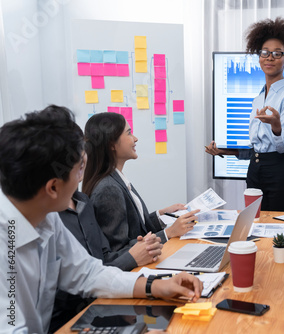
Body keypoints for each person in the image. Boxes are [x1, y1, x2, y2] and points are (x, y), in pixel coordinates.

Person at [0, 105, 201, 334]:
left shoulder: (46, 218)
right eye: (79, 171)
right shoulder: (7, 240)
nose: (81, 180)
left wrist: (156, 286)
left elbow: (88, 273)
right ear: (53, 188)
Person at [50, 154, 163, 332]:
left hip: (97, 310)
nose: (83, 174)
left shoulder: (82, 202)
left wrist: (156, 285)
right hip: (72, 319)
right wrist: (133, 259)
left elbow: (93, 269)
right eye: (79, 166)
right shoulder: (49, 217)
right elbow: (76, 283)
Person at [205, 17, 284, 212]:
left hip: (280, 174)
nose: (269, 58)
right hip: (255, 172)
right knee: (256, 225)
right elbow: (257, 149)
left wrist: (276, 127)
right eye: (265, 53)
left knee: (279, 232)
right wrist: (223, 152)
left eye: (277, 53)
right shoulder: (259, 98)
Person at [82, 112, 199, 252]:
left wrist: (162, 215)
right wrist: (169, 233)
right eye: (129, 133)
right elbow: (119, 251)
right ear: (111, 144)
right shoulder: (108, 188)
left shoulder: (115, 178)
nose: (135, 139)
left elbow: (136, 229)